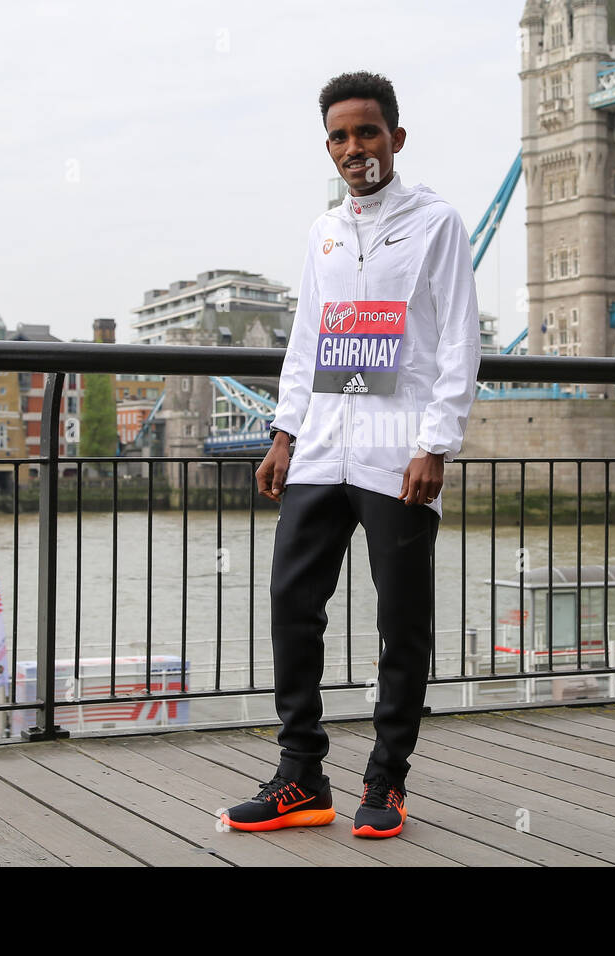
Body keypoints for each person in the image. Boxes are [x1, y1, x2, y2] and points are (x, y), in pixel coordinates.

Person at [220, 71, 481, 839]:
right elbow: (307, 342)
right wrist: (282, 432)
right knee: (291, 606)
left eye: (367, 132)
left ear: (396, 138)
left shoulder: (438, 223)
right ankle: (301, 774)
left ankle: (387, 780)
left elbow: (461, 341)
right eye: (339, 136)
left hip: (397, 454)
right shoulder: (323, 232)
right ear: (328, 146)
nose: (353, 147)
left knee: (403, 622)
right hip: (321, 449)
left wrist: (436, 443)